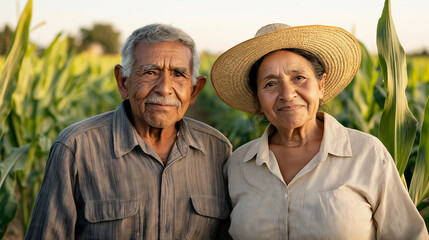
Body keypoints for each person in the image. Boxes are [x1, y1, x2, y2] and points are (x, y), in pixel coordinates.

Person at [210, 23, 429, 239]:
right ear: (256, 97)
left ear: (321, 85)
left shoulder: (367, 154)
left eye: (299, 78)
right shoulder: (238, 165)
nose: (287, 94)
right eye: (270, 84)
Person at [25, 23, 232, 239]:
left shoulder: (218, 150)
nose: (164, 88)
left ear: (194, 90)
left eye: (179, 74)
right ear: (123, 82)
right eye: (150, 72)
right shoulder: (76, 148)